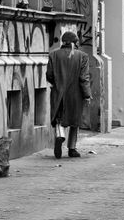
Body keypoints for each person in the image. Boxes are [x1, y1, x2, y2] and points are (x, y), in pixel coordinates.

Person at [46, 31, 92, 159]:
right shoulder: (82, 56)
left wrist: (56, 83)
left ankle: (60, 135)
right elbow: (84, 78)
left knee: (59, 117)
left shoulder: (53, 55)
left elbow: (49, 75)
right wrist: (87, 94)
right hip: (75, 93)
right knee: (74, 121)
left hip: (58, 92)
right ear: (75, 42)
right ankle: (72, 149)